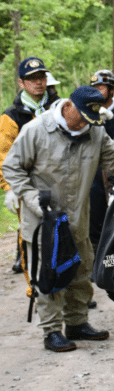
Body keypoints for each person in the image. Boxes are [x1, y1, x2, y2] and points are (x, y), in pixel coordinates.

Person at [2, 86, 114, 352]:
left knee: (81, 270)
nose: (86, 125)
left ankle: (77, 323)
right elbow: (12, 167)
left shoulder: (94, 131)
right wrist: (31, 199)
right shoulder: (36, 131)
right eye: (83, 118)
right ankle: (52, 331)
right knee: (50, 274)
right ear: (68, 106)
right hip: (44, 222)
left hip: (78, 218)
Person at [0, 57, 60, 276]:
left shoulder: (59, 108)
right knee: (30, 236)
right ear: (21, 83)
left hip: (59, 181)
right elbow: (3, 155)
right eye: (32, 78)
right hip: (27, 186)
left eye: (42, 77)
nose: (38, 82)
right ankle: (34, 285)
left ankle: (66, 287)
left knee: (64, 233)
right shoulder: (11, 116)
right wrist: (9, 188)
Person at [89, 70, 114, 251]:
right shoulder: (87, 114)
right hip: (93, 175)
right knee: (93, 216)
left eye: (101, 87)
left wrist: (109, 122)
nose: (97, 91)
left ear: (112, 91)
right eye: (94, 87)